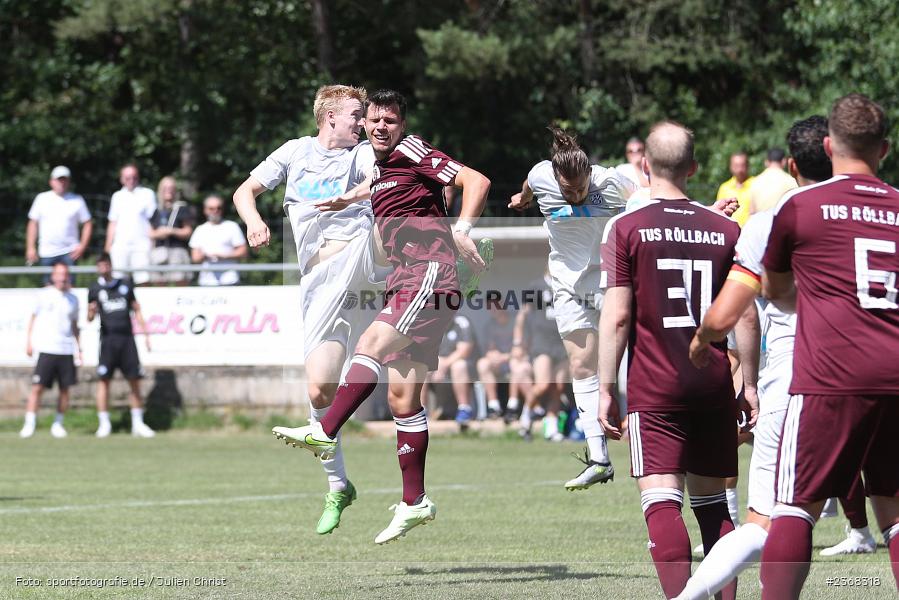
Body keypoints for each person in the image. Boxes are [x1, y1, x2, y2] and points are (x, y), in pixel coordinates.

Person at [271, 89, 490, 544]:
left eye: (389, 120)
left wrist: (463, 230)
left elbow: (477, 181)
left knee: (370, 344)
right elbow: (374, 187)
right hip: (408, 279)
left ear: (402, 124)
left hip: (428, 273)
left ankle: (324, 430)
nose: (380, 127)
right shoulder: (381, 166)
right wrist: (343, 199)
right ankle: (415, 502)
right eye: (374, 120)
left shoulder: (411, 149)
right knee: (403, 402)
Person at [676, 115, 851, 600]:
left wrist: (717, 356)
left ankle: (687, 597)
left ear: (792, 164)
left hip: (794, 381)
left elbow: (740, 315)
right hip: (870, 378)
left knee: (765, 522)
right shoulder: (871, 209)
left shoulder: (767, 223)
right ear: (837, 152)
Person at [759, 93, 899, 598]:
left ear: (827, 144)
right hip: (897, 377)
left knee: (795, 505)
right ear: (884, 148)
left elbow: (774, 291)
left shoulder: (800, 206)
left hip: (832, 376)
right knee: (895, 509)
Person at [598, 121, 744, 600]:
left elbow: (618, 316)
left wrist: (604, 387)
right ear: (695, 168)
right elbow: (743, 313)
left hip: (656, 385)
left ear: (644, 166)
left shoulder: (625, 227)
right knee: (713, 507)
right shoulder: (726, 229)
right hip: (713, 382)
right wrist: (753, 384)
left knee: (662, 503)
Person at [233, 84, 378, 535]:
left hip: (365, 262)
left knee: (382, 235)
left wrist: (353, 198)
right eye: (357, 114)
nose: (364, 121)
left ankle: (448, 252)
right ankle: (339, 486)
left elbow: (384, 180)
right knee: (319, 392)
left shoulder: (365, 154)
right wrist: (255, 222)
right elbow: (245, 191)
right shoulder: (296, 152)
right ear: (330, 116)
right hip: (321, 283)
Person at [508, 126, 635, 489]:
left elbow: (658, 201)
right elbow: (530, 185)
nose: (577, 194)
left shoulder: (612, 181)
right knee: (581, 365)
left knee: (631, 360)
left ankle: (648, 436)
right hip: (566, 285)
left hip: (611, 282)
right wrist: (521, 198)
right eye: (569, 189)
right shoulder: (541, 174)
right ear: (556, 176)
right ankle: (599, 458)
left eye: (581, 187)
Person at [87, 253, 155, 438]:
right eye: (100, 265)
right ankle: (104, 424)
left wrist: (146, 334)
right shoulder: (94, 289)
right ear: (97, 268)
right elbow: (89, 318)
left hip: (127, 340)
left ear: (110, 265)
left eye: (106, 264)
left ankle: (138, 423)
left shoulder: (125, 284)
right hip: (107, 341)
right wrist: (91, 312)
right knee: (104, 381)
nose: (104, 268)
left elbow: (136, 309)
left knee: (134, 380)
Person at [19, 262, 81, 439]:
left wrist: (79, 348)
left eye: (65, 274)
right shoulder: (43, 295)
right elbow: (32, 318)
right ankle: (29, 423)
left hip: (66, 349)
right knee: (37, 387)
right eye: (59, 274)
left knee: (65, 389)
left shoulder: (73, 299)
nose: (62, 277)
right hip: (47, 349)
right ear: (53, 276)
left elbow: (75, 325)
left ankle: (58, 424)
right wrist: (29, 342)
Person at [515, 272, 570, 443]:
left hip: (563, 341)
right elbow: (522, 315)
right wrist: (518, 343)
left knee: (558, 387)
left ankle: (551, 429)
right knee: (543, 384)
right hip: (542, 341)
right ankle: (525, 420)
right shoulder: (536, 285)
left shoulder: (568, 284)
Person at [26, 165, 93, 279]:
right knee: (47, 288)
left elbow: (88, 223)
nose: (61, 183)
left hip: (70, 253)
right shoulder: (41, 199)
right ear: (51, 181)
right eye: (59, 179)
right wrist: (30, 247)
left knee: (69, 287)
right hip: (46, 252)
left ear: (69, 181)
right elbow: (33, 223)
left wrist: (82, 246)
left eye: (64, 179)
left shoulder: (77, 200)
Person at [105, 164, 157, 285]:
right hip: (120, 245)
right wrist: (108, 246)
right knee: (118, 278)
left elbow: (153, 221)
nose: (131, 180)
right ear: (121, 179)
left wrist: (153, 243)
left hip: (142, 244)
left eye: (134, 177)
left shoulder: (147, 194)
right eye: (128, 177)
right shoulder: (117, 196)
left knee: (143, 280)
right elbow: (113, 222)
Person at [422, 314, 476, 429]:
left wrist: (444, 364)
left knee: (459, 366)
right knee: (422, 367)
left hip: (464, 366)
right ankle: (421, 411)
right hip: (438, 365)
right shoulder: (430, 324)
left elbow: (465, 350)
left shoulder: (461, 322)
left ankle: (464, 409)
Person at [189, 195, 248, 286]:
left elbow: (243, 252)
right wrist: (205, 256)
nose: (215, 211)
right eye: (211, 208)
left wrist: (224, 256)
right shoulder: (200, 230)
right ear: (205, 210)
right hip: (206, 282)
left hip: (230, 280)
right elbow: (195, 258)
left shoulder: (232, 226)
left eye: (218, 208)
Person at [149, 176, 194, 284]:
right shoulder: (157, 210)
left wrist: (171, 231)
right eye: (165, 188)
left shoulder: (181, 208)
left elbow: (188, 231)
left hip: (177, 251)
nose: (168, 191)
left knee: (180, 281)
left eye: (171, 188)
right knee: (159, 282)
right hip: (160, 251)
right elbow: (150, 233)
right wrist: (160, 233)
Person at [476, 304, 519, 419]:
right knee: (483, 364)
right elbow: (490, 349)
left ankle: (513, 406)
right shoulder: (489, 326)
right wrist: (493, 355)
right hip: (500, 363)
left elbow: (522, 349)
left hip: (515, 360)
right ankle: (494, 406)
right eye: (490, 306)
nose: (493, 309)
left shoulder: (516, 322)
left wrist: (506, 357)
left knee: (516, 364)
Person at [749, 148, 797, 215]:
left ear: (766, 162)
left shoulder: (755, 181)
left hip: (761, 223)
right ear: (784, 161)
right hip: (783, 223)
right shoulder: (792, 180)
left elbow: (752, 212)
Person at [716, 153, 754, 227]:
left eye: (742, 165)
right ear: (730, 166)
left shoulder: (756, 184)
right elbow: (719, 212)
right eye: (736, 166)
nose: (740, 169)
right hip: (730, 232)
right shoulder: (724, 188)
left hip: (751, 233)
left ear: (748, 166)